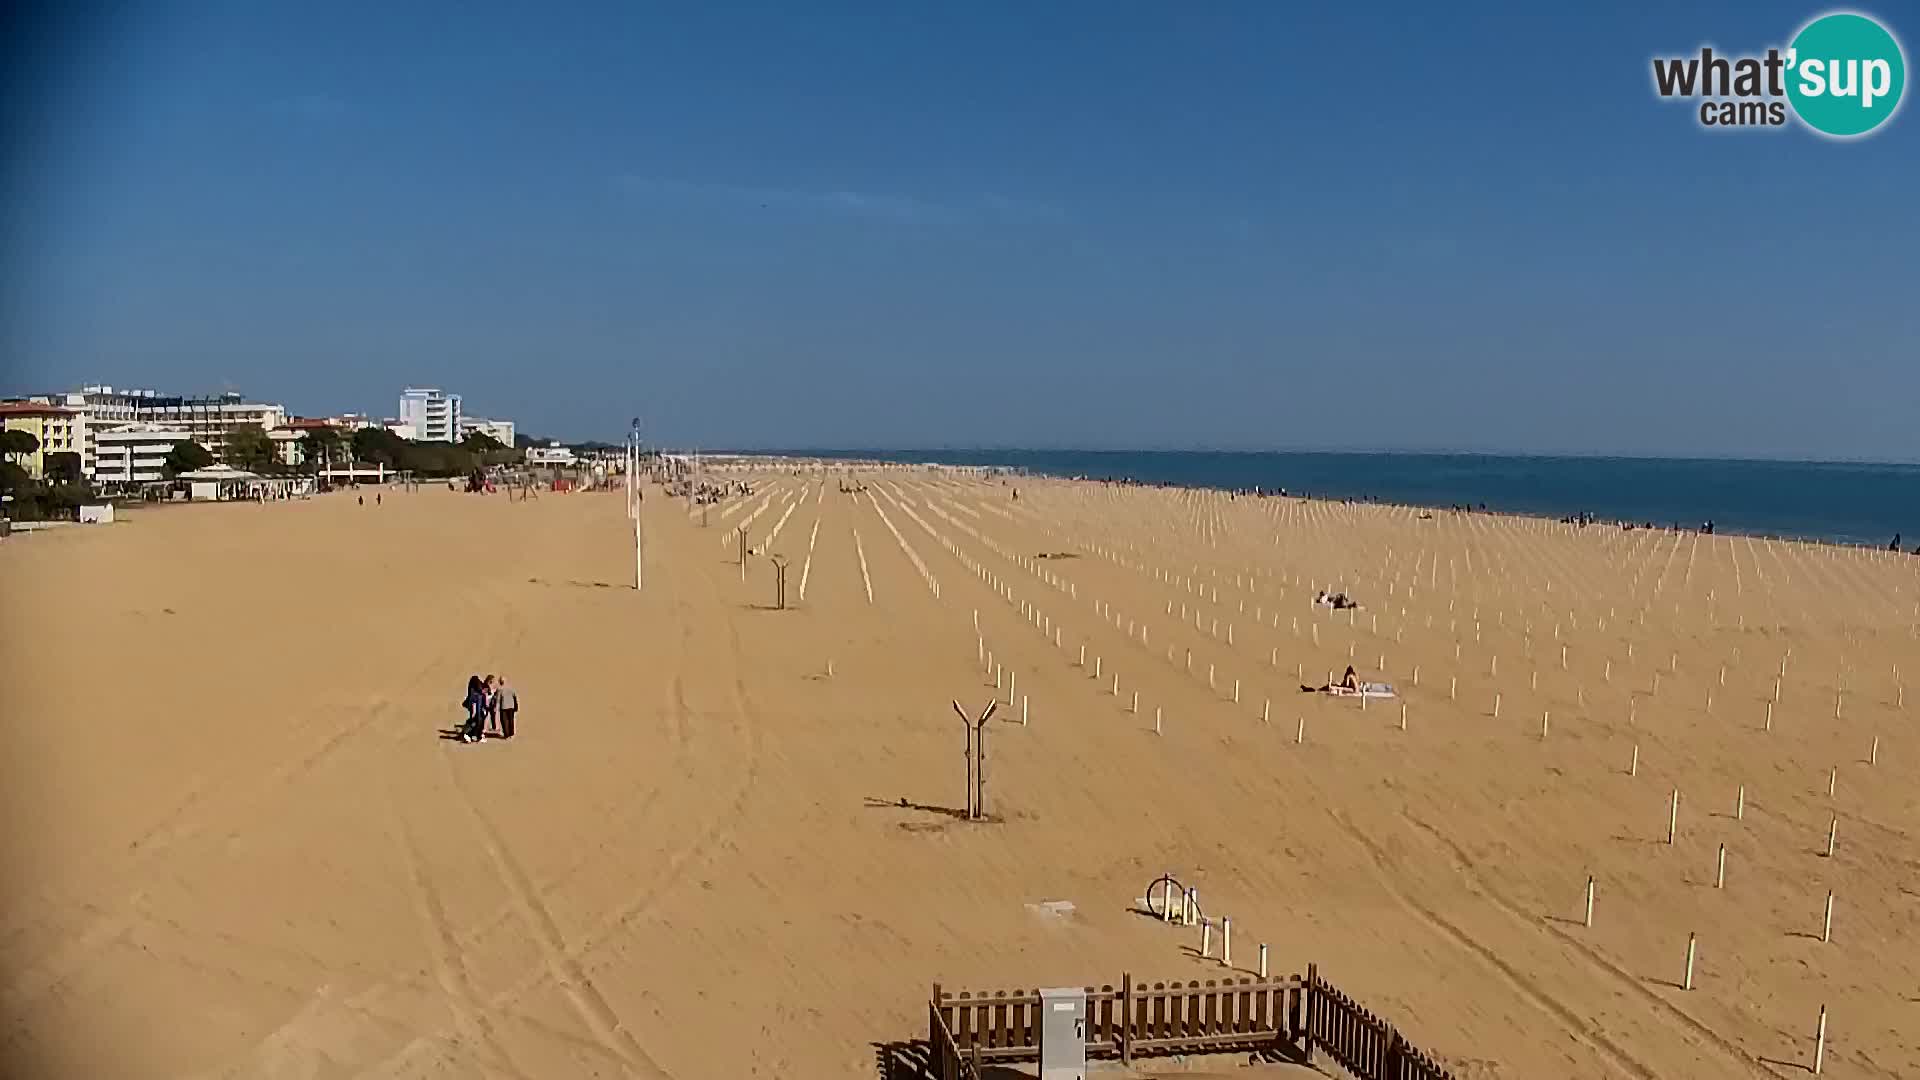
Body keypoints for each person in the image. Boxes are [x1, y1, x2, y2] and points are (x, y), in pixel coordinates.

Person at [461, 675, 486, 743]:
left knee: (474, 722)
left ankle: (470, 735)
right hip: (477, 713)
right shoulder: (477, 695)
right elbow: (475, 705)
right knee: (475, 722)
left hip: (476, 712)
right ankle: (469, 735)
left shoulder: (472, 692)